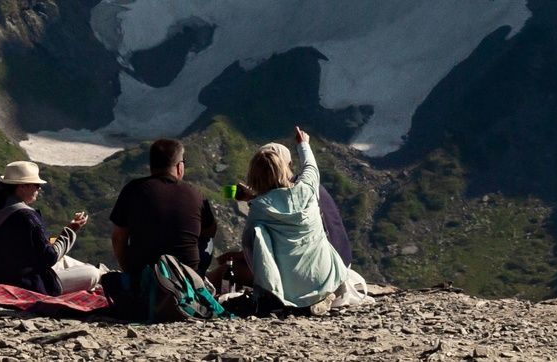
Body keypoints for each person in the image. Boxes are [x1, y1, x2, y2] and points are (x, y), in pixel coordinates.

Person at [240, 127, 371, 312]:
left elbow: (248, 244)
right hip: (326, 276)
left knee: (256, 234)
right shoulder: (308, 190)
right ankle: (323, 294)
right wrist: (303, 144)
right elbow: (310, 167)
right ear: (288, 166)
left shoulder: (259, 207)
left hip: (287, 289)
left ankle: (273, 295)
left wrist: (253, 199)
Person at [0, 160, 101, 294]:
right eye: (36, 185)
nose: (39, 188)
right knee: (93, 273)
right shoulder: (27, 216)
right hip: (25, 285)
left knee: (65, 260)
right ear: (22, 187)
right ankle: (102, 275)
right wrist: (71, 230)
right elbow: (50, 257)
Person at [108, 137, 217, 283]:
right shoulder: (196, 194)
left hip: (143, 279)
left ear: (152, 166)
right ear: (179, 167)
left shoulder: (133, 189)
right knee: (208, 240)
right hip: (187, 281)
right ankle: (199, 279)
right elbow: (210, 231)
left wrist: (129, 272)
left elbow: (118, 238)